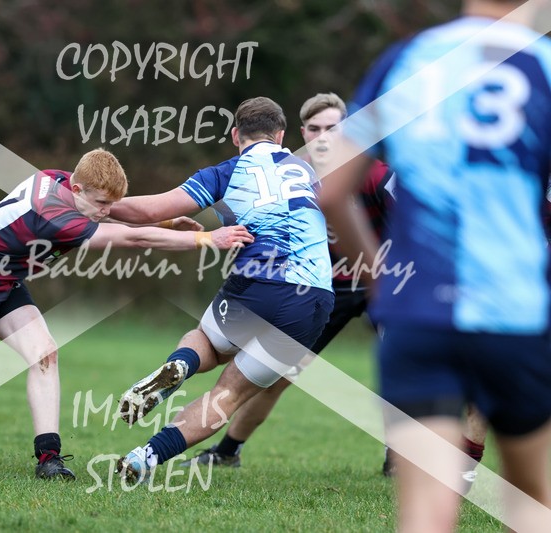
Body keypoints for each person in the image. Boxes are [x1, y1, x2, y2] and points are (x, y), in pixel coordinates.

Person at [319, 1, 551, 531]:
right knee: (532, 501)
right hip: (512, 314)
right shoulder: (542, 65)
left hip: (417, 312)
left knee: (425, 512)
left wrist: (379, 279)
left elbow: (331, 190)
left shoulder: (410, 58)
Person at [0, 148, 253, 480]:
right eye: (101, 203)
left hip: (3, 281)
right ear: (77, 189)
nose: (106, 210)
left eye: (110, 203)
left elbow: (111, 215)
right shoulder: (55, 218)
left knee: (45, 354)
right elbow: (131, 238)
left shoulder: (64, 183)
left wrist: (167, 224)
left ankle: (49, 458)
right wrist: (207, 239)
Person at [187, 93, 487, 488]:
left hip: (384, 281)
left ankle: (398, 458)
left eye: (333, 128)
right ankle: (228, 450)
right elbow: (244, 217)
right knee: (277, 374)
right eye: (315, 128)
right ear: (300, 133)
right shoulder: (289, 173)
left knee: (402, 368)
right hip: (322, 288)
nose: (324, 136)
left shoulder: (373, 173)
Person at [107, 96, 335, 482]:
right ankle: (144, 458)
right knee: (228, 397)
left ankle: (181, 365)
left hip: (261, 281)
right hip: (314, 299)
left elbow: (151, 211)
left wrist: (91, 202)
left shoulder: (227, 172)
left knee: (208, 344)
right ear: (281, 136)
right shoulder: (309, 172)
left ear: (235, 135)